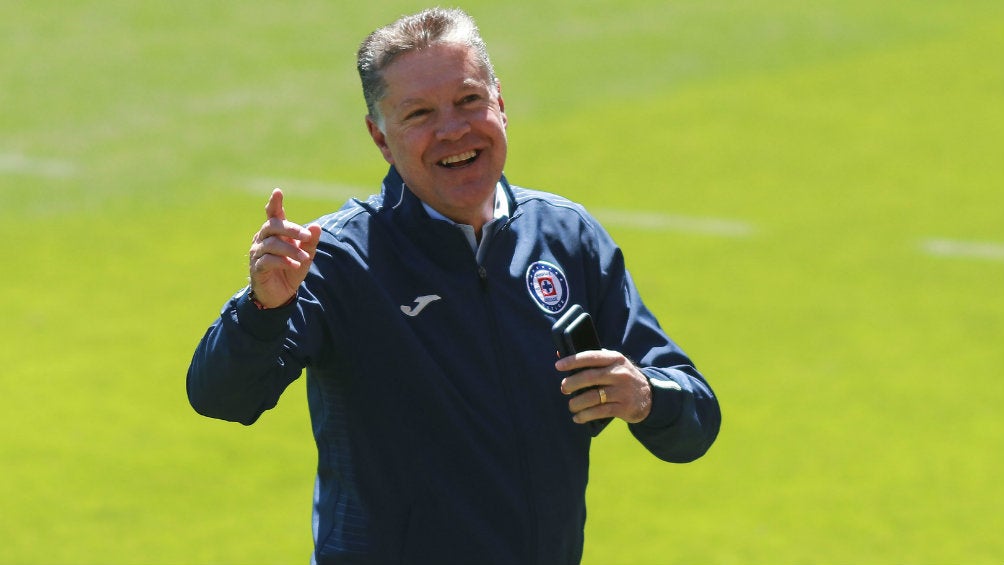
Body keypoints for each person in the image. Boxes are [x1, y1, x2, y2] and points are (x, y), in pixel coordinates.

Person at [187, 7, 720, 565]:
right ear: (381, 138)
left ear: (501, 104)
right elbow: (221, 397)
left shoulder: (566, 236)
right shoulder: (339, 259)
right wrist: (262, 309)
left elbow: (695, 420)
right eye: (419, 113)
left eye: (469, 101)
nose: (453, 130)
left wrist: (645, 395)